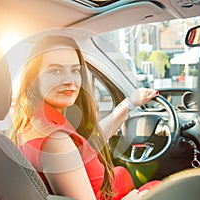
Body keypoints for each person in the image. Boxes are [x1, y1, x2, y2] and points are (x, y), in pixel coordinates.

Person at [10, 35, 160, 200]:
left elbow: (88, 143)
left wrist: (129, 104)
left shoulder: (35, 121)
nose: (70, 80)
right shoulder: (56, 141)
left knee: (122, 174)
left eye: (75, 70)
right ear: (34, 79)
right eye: (56, 70)